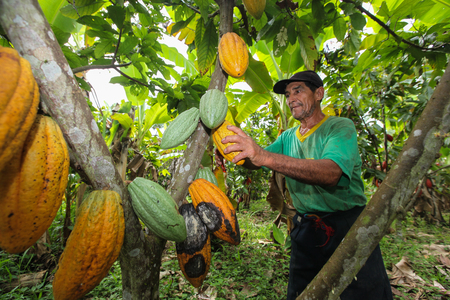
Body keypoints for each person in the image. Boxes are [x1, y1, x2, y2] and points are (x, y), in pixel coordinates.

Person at [221, 70, 393, 299]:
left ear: (319, 93)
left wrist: (262, 155)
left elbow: (331, 173)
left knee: (362, 293)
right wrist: (238, 151)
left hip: (348, 227)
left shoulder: (340, 127)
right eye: (288, 94)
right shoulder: (287, 137)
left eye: (298, 90)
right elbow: (258, 162)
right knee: (303, 293)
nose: (291, 99)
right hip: (307, 227)